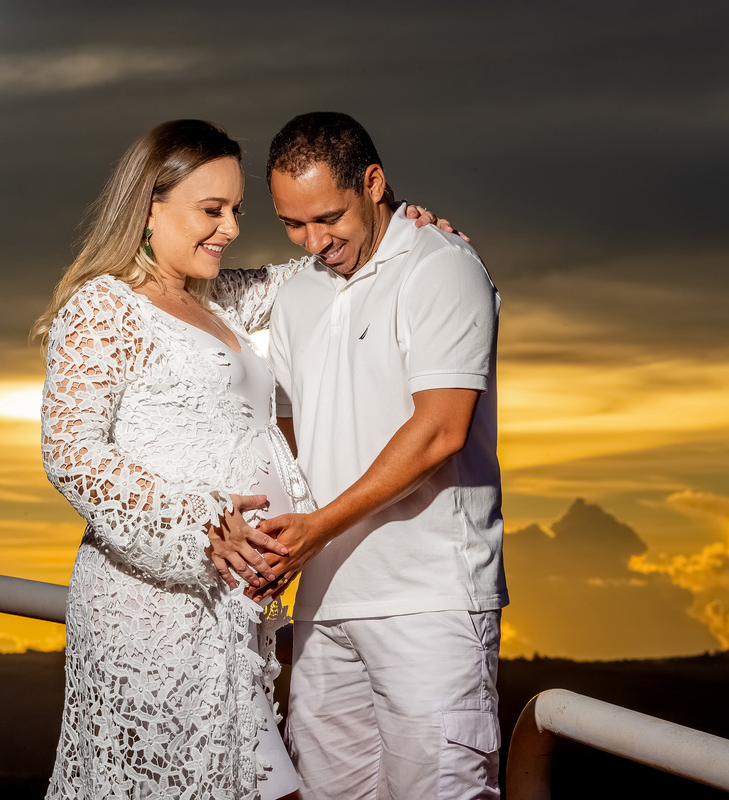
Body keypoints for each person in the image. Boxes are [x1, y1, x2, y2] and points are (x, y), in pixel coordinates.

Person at [33, 119, 450, 800]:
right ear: (148, 208)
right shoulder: (103, 307)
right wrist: (203, 524)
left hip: (230, 619)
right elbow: (72, 455)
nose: (229, 228)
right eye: (211, 210)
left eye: (236, 210)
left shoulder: (217, 298)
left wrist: (402, 224)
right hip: (152, 615)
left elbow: (317, 266)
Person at [250, 112, 506, 800]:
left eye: (328, 218)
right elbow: (292, 436)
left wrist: (316, 528)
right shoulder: (296, 295)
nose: (314, 242)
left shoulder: (442, 266)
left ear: (372, 183)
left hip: (431, 603)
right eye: (293, 224)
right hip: (324, 604)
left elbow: (441, 431)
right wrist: (277, 540)